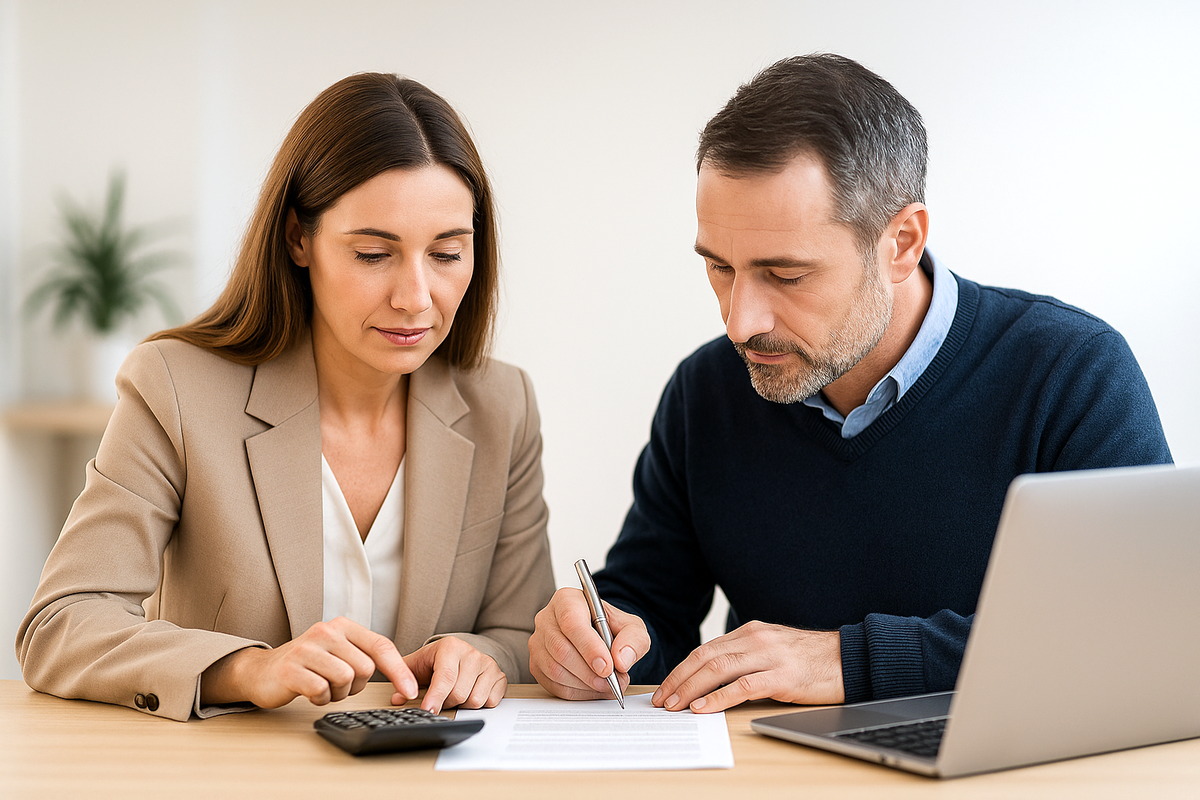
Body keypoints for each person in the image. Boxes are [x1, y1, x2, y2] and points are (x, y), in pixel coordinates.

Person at [528, 54, 1172, 714]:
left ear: (902, 242)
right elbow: (652, 609)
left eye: (785, 274)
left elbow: (1151, 632)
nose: (740, 321)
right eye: (720, 267)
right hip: (775, 775)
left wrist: (853, 660)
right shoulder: (706, 393)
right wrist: (597, 639)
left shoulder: (1070, 372)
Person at [16, 73, 554, 722]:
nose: (416, 297)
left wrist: (474, 653)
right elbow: (61, 623)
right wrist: (247, 667)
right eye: (374, 254)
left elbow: (523, 636)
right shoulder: (176, 387)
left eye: (446, 253)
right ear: (299, 238)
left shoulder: (504, 406)